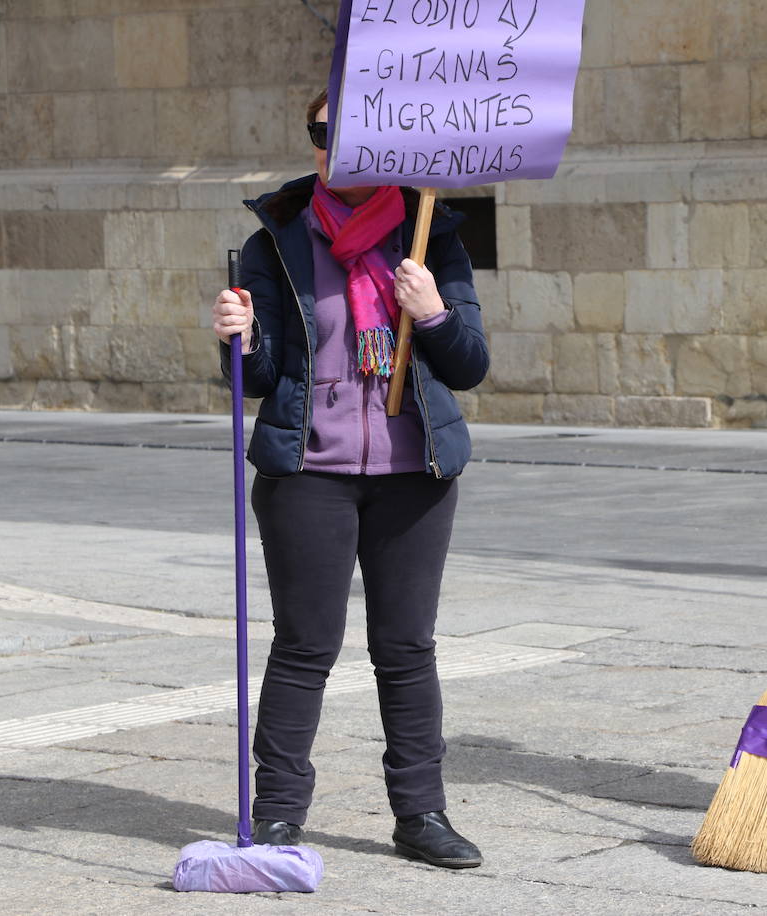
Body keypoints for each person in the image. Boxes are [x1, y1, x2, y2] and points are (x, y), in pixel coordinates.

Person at [210, 88, 489, 868]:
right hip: (308, 471)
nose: (330, 146)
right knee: (304, 646)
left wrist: (432, 312)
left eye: (348, 133)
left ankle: (421, 814)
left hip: (414, 473)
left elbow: (469, 364)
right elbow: (259, 374)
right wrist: (238, 338)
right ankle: (279, 815)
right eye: (319, 133)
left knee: (406, 647)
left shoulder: (431, 236)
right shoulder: (278, 241)